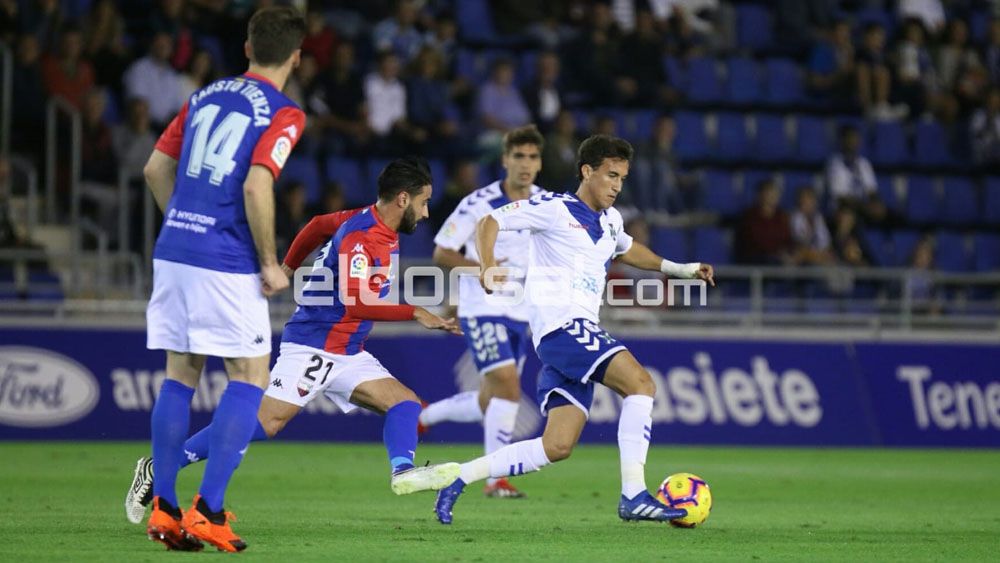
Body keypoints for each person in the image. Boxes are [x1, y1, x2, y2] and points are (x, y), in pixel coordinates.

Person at [126, 158, 464, 533]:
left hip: (348, 350)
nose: (426, 210)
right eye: (423, 201)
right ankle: (159, 467)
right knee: (267, 422)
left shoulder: (370, 221)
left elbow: (318, 224)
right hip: (315, 345)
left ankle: (402, 471)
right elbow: (358, 302)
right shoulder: (360, 237)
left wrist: (286, 267)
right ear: (403, 199)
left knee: (404, 403)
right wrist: (415, 311)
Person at [433, 135, 715, 524]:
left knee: (556, 446)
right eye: (611, 175)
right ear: (587, 171)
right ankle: (633, 494)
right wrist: (485, 266)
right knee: (642, 385)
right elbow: (490, 220)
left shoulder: (611, 220)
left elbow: (629, 249)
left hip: (573, 335)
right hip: (562, 328)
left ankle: (458, 478)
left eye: (623, 178)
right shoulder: (552, 208)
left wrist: (681, 269)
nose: (617, 185)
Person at [136, 7, 307, 553]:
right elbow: (259, 184)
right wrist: (268, 261)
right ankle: (208, 510)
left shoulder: (203, 95)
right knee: (250, 377)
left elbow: (154, 170)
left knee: (179, 375)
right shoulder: (284, 112)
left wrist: (183, 225)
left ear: (248, 47)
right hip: (226, 258)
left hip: (175, 249)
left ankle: (163, 508)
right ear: (297, 57)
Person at [419, 125, 548, 499]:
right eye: (519, 156)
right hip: (482, 308)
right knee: (508, 386)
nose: (526, 164)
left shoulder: (545, 203)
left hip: (524, 314)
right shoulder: (479, 202)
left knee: (488, 400)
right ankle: (496, 478)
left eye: (533, 157)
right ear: (505, 159)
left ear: (540, 163)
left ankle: (422, 418)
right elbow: (442, 251)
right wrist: (482, 270)